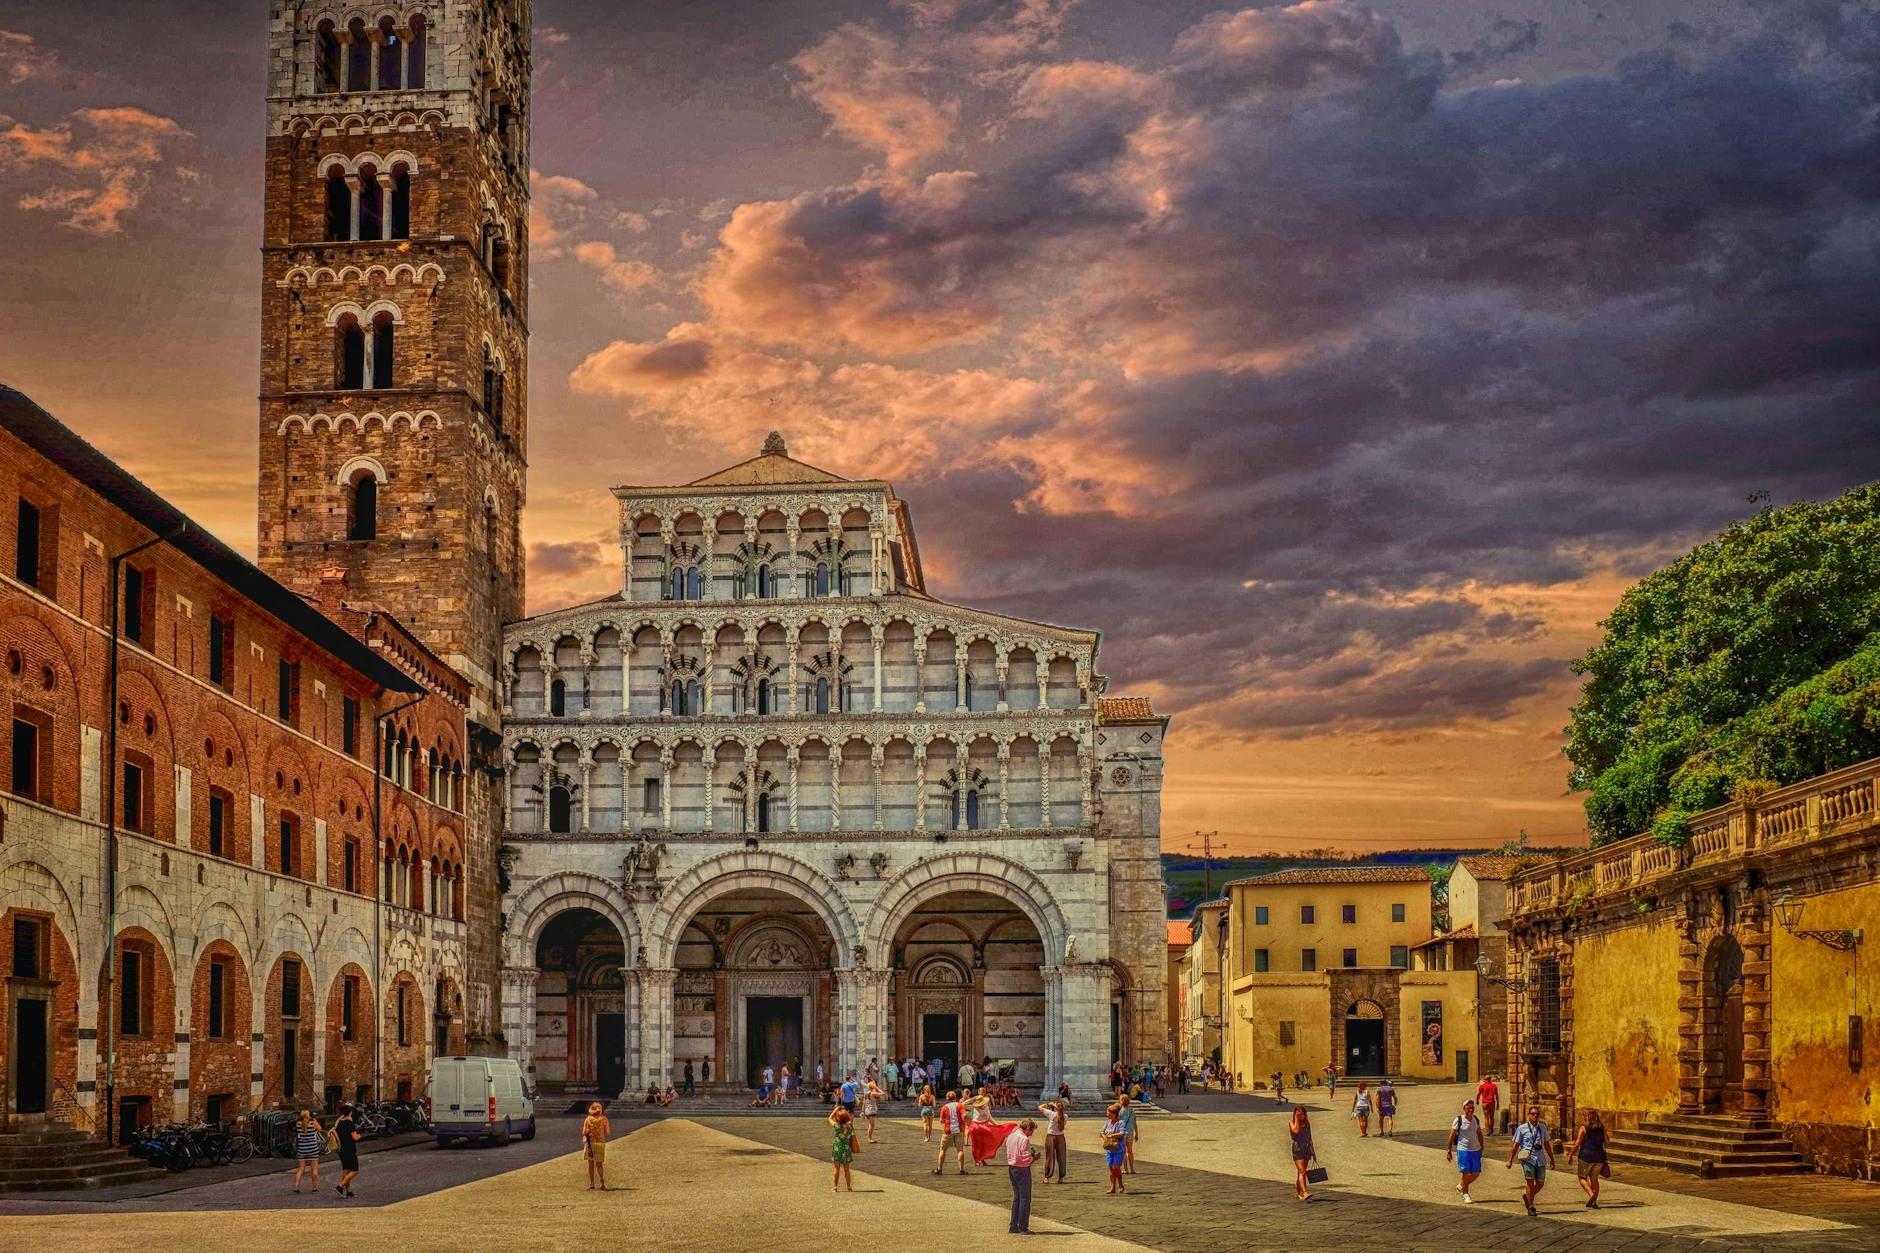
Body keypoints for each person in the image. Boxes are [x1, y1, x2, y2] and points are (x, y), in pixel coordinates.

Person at [1507, 1105, 1556, 1216]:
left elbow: (1547, 1144)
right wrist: (1510, 1160)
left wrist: (1552, 1159)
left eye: (1537, 1114)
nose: (1535, 1116)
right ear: (1528, 1115)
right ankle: (1531, 1206)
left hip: (1540, 1159)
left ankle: (1528, 1196)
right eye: (1533, 1114)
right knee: (1530, 1182)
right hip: (1527, 1158)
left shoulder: (1542, 1128)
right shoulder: (1522, 1128)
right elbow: (1516, 1145)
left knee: (1540, 1182)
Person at [1567, 1109, 1608, 1209]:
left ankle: (1591, 1196)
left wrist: (1570, 1155)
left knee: (1582, 1178)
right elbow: (1607, 1141)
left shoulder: (1584, 1128)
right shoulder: (1602, 1128)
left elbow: (1577, 1144)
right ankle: (1593, 1201)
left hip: (1586, 1156)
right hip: (1599, 1157)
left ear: (1586, 1118)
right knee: (1594, 1179)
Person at [1446, 1098, 1485, 1203]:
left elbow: (1479, 1133)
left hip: (1475, 1149)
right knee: (1466, 1173)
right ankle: (1465, 1194)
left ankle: (1461, 1185)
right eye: (1468, 1108)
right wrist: (1449, 1150)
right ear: (1464, 1109)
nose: (1470, 1110)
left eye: (1472, 1108)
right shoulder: (1458, 1120)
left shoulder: (1475, 1119)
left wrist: (1482, 1146)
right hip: (1463, 1149)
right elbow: (1452, 1135)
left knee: (1476, 1173)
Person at [966, 1087, 1016, 1166]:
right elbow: (962, 1104)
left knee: (983, 1144)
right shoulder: (974, 1106)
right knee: (976, 1145)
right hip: (976, 1127)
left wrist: (998, 1126)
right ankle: (977, 1160)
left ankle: (981, 1159)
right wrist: (973, 1099)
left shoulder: (984, 1106)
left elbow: (990, 1118)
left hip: (982, 1126)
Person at [1004, 1118, 1038, 1234]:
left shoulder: (1011, 1136)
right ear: (1028, 1128)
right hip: (1022, 1169)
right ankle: (1023, 1226)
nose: (1031, 1134)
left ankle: (1013, 1225)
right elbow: (1027, 1159)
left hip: (1012, 1167)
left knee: (1017, 1197)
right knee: (1025, 1198)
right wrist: (1034, 1158)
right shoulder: (1024, 1139)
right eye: (1031, 1131)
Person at [934, 1089, 968, 1175]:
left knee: (943, 1150)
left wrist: (948, 1121)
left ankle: (939, 1169)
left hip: (948, 1130)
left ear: (947, 1098)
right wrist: (964, 1122)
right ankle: (961, 1169)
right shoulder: (960, 1106)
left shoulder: (944, 1107)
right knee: (960, 1150)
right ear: (955, 1097)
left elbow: (941, 1120)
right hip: (959, 1130)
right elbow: (964, 1115)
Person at [332, 1103, 361, 1198]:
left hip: (341, 1149)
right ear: (351, 1113)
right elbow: (354, 1137)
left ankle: (348, 1191)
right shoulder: (350, 1123)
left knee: (346, 1170)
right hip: (349, 1149)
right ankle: (340, 1186)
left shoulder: (339, 1122)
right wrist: (359, 1136)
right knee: (354, 1170)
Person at [1289, 1105, 1316, 1201]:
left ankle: (1298, 1192)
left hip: (1306, 1148)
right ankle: (1304, 1192)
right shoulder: (1292, 1123)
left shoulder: (1307, 1124)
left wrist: (1313, 1152)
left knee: (1301, 1172)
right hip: (1298, 1148)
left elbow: (1310, 1138)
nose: (1300, 1115)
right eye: (1298, 1113)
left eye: (1301, 1113)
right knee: (1302, 1172)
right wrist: (1296, 1119)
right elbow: (1296, 1131)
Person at [292, 1108, 323, 1193]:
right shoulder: (313, 1123)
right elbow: (320, 1128)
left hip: (302, 1148)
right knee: (314, 1169)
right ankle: (314, 1188)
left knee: (301, 1168)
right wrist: (314, 1119)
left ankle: (296, 1187)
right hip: (313, 1147)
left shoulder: (298, 1124)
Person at [582, 1101, 611, 1191]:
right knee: (599, 1164)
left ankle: (592, 1183)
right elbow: (608, 1132)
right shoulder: (604, 1119)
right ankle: (602, 1180)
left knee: (591, 1164)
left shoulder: (588, 1119)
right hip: (600, 1142)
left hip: (590, 1143)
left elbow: (584, 1132)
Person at [1101, 1103, 1129, 1195]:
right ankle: (1112, 1186)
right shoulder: (1107, 1123)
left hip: (1118, 1148)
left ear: (1114, 1114)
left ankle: (1120, 1184)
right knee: (1111, 1168)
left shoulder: (1121, 1123)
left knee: (1116, 1167)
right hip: (1109, 1149)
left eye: (1109, 1113)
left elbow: (1122, 1133)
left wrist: (1111, 1135)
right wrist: (1104, 1136)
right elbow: (1101, 1132)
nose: (1107, 1114)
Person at [1038, 1099, 1068, 1183]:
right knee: (1062, 1157)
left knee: (1049, 1157)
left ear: (1055, 1107)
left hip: (1051, 1136)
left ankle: (1047, 1177)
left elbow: (1039, 1107)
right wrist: (1056, 1106)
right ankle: (1061, 1177)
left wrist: (1049, 1104)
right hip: (1061, 1137)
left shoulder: (1052, 1114)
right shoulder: (1065, 1116)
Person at [829, 1107, 856, 1192]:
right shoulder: (850, 1127)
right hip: (846, 1149)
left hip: (837, 1148)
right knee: (847, 1169)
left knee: (836, 1168)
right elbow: (852, 1136)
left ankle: (835, 1187)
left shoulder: (837, 1127)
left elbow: (829, 1118)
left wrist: (836, 1109)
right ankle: (848, 1186)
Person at [1118, 1092, 1139, 1173]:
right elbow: (1135, 1123)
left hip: (1122, 1133)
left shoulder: (1120, 1112)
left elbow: (1118, 1123)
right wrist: (1136, 1134)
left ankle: (1125, 1169)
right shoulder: (1132, 1111)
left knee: (1123, 1152)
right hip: (1130, 1132)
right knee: (1130, 1151)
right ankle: (1132, 1169)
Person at [862, 1079, 883, 1143]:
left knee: (871, 1125)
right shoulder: (873, 1093)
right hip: (871, 1110)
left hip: (867, 1110)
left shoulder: (866, 1093)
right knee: (872, 1125)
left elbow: (864, 1103)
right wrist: (877, 1088)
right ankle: (869, 1139)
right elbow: (882, 1093)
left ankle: (870, 1138)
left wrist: (863, 1111)